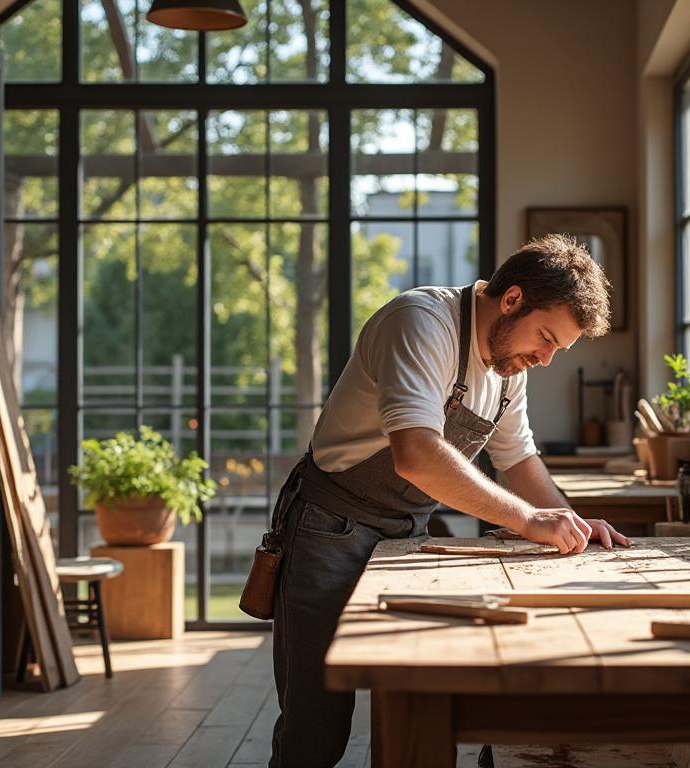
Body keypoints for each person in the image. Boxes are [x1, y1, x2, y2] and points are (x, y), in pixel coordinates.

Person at [267, 233, 630, 767]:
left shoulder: (510, 368)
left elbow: (517, 458)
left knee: (414, 696)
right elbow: (415, 454)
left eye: (558, 349)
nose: (546, 359)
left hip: (403, 536)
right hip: (328, 527)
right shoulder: (420, 323)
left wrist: (568, 521)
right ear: (511, 300)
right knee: (315, 727)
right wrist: (529, 520)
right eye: (546, 338)